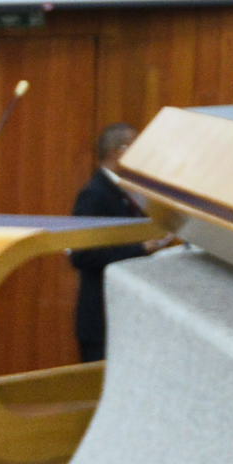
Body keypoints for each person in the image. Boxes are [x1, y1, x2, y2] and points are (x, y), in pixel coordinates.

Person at [68, 124, 148, 363]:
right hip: (102, 317)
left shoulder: (126, 190)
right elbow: (82, 254)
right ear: (119, 152)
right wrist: (141, 248)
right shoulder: (95, 193)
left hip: (125, 314)